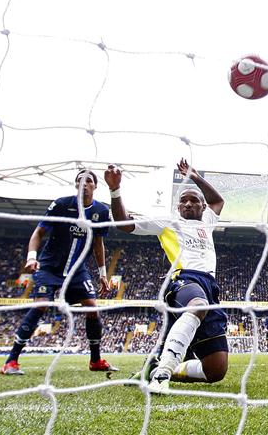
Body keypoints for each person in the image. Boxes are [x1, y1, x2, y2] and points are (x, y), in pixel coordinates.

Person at [106, 159, 228, 393]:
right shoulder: (168, 222)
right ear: (177, 207)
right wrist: (115, 189)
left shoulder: (208, 221)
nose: (189, 204)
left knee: (215, 371)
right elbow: (123, 224)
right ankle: (162, 375)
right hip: (184, 281)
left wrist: (194, 176)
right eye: (183, 201)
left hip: (210, 285)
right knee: (198, 304)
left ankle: (155, 368)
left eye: (194, 200)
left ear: (202, 207)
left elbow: (218, 200)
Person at [0, 170, 118, 375]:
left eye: (89, 180)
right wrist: (31, 257)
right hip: (50, 267)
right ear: (75, 185)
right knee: (41, 306)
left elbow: (98, 243)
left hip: (77, 271)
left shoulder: (101, 211)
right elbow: (39, 232)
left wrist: (102, 273)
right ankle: (11, 361)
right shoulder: (62, 204)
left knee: (92, 308)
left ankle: (96, 360)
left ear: (95, 186)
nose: (84, 183)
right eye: (80, 180)